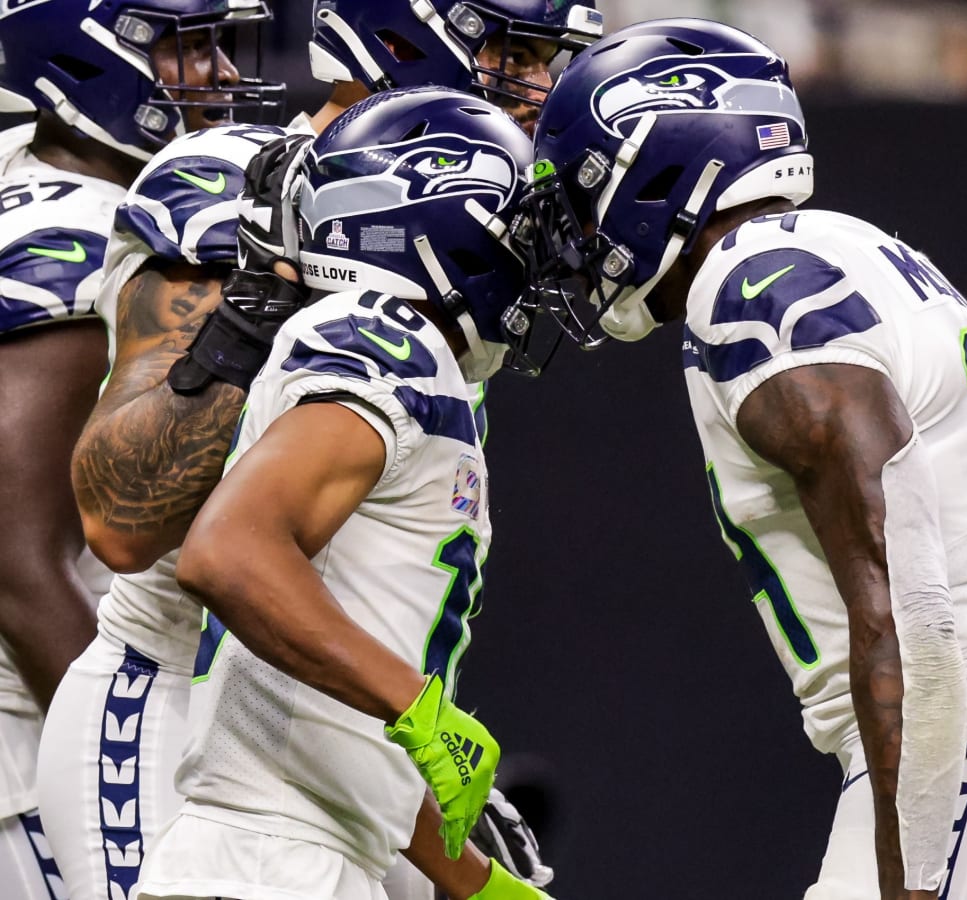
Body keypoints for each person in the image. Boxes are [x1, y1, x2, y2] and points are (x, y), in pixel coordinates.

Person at [518, 17, 967, 900]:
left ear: (656, 166)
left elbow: (907, 595)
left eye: (586, 192)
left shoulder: (752, 286)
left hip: (966, 727)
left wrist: (910, 868)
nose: (576, 231)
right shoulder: (836, 249)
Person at [41, 1, 599, 897]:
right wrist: (252, 307)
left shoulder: (460, 228)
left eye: (552, 59)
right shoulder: (229, 185)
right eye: (517, 50)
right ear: (403, 34)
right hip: (175, 706)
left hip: (330, 722)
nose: (542, 87)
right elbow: (120, 519)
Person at [132, 85, 544, 900]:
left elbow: (332, 714)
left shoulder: (391, 347)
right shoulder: (380, 334)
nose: (530, 254)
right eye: (514, 223)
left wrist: (483, 887)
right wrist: (420, 710)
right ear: (437, 219)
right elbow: (229, 552)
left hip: (287, 861)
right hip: (264, 866)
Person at [0, 1, 280, 895]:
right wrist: (114, 759)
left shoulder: (22, 171)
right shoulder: (81, 236)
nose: (222, 76)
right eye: (187, 46)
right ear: (78, 57)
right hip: (28, 746)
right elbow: (16, 559)